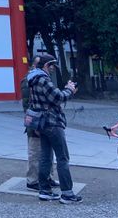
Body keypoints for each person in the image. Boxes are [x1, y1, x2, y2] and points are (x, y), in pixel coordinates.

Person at [29, 52, 81, 204]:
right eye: (51, 66)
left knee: (45, 157)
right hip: (52, 122)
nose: (52, 69)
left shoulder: (32, 78)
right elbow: (57, 97)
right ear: (46, 65)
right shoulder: (43, 79)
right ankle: (67, 194)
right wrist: (70, 90)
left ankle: (44, 190)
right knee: (63, 157)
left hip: (41, 123)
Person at [22, 55, 58, 191]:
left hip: (46, 119)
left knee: (49, 150)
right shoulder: (28, 81)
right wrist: (33, 124)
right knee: (35, 151)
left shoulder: (44, 78)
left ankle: (48, 176)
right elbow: (27, 104)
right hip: (35, 119)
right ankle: (32, 179)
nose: (52, 68)